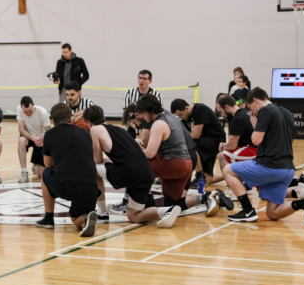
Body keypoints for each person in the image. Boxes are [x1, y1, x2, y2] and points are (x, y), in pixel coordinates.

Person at [221, 87, 304, 225]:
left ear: (255, 101)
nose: (252, 113)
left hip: (270, 167)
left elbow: (255, 141)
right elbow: (277, 140)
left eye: (251, 108)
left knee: (227, 170)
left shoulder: (265, 111)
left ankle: (248, 211)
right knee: (272, 213)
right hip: (288, 169)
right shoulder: (286, 112)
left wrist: (256, 127)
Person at [85, 105, 181, 227]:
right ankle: (167, 210)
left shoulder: (95, 129)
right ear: (103, 117)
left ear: (88, 122)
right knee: (133, 215)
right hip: (146, 173)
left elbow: (97, 161)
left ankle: (103, 212)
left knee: (93, 169)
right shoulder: (119, 130)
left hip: (131, 172)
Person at [135, 95, 230, 217]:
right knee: (172, 205)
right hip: (187, 162)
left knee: (136, 167)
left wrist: (134, 149)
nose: (142, 116)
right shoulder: (171, 116)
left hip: (174, 163)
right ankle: (205, 197)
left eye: (142, 113)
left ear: (148, 110)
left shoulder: (158, 124)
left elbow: (149, 153)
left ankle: (141, 202)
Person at [35, 103, 99, 236]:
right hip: (91, 186)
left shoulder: (50, 134)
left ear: (52, 121)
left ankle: (48, 218)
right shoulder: (86, 133)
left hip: (67, 185)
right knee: (76, 219)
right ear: (70, 118)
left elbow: (48, 164)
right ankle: (87, 218)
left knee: (45, 173)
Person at [110, 70, 163, 213]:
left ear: (150, 81)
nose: (141, 81)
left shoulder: (156, 95)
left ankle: (142, 198)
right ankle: (129, 199)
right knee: (131, 164)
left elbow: (157, 115)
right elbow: (125, 113)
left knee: (144, 164)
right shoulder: (130, 93)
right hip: (133, 130)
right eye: (140, 78)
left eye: (145, 79)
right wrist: (131, 121)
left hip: (149, 130)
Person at [171, 99, 226, 187]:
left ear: (186, 108)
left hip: (216, 141)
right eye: (178, 117)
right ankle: (233, 174)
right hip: (205, 141)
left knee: (191, 144)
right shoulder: (186, 117)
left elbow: (195, 135)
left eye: (181, 115)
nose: (181, 118)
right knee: (208, 179)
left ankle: (199, 175)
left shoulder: (200, 109)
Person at [17, 96, 51, 183]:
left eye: (30, 111)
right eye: (26, 112)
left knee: (40, 172)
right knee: (21, 140)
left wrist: (44, 141)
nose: (28, 114)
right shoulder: (19, 109)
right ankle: (24, 171)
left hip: (41, 139)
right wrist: (33, 138)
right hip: (29, 137)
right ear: (21, 107)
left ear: (34, 105)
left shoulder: (42, 112)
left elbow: (49, 131)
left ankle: (36, 164)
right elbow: (21, 130)